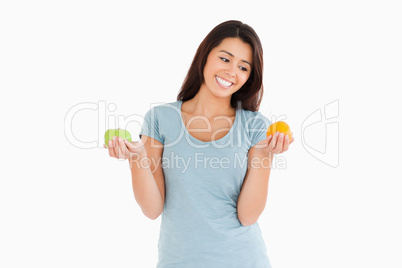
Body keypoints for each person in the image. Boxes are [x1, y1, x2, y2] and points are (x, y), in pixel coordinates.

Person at [105, 20, 294, 268]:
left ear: (249, 76)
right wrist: (136, 158)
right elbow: (152, 209)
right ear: (205, 55)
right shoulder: (160, 119)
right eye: (225, 59)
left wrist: (266, 155)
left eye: (243, 67)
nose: (231, 72)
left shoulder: (256, 126)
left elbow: (248, 216)